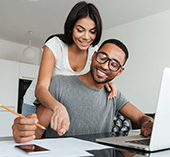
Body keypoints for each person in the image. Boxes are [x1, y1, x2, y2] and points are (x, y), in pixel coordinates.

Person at [12, 38, 154, 143]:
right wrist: (23, 132)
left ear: (120, 71)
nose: (105, 66)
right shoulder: (60, 84)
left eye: (114, 64)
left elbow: (141, 117)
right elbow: (35, 134)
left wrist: (149, 123)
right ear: (93, 56)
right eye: (102, 57)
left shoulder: (113, 94)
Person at [22, 1, 117, 136]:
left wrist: (107, 81)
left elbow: (95, 77)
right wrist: (57, 107)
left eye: (92, 32)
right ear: (71, 28)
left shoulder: (94, 52)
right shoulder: (55, 45)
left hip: (63, 108)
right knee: (29, 145)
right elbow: (41, 88)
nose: (86, 37)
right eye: (80, 30)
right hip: (37, 104)